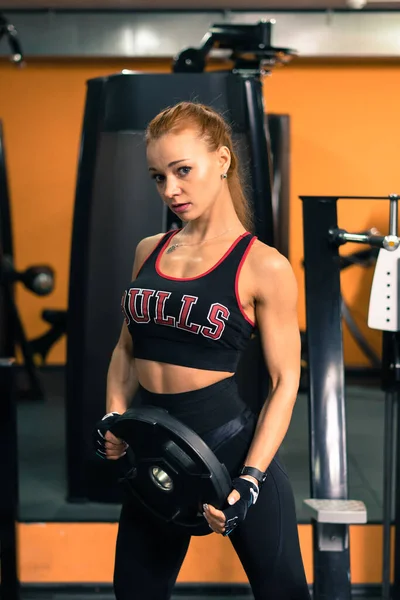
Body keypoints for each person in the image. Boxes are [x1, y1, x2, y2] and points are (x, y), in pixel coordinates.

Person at [94, 101, 311, 600]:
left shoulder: (264, 266)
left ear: (223, 160)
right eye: (157, 177)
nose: (170, 190)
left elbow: (285, 381)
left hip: (230, 446)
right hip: (155, 444)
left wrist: (251, 478)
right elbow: (126, 349)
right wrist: (115, 417)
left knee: (284, 593)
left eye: (182, 170)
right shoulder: (150, 249)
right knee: (134, 592)